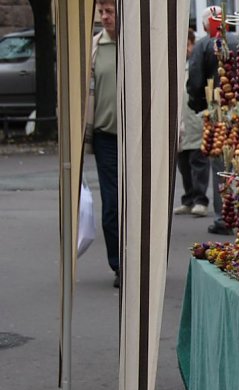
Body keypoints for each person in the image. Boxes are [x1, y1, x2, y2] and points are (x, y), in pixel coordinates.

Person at [187, 5, 239, 235]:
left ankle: (224, 218)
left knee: (220, 163)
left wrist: (197, 104)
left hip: (217, 110)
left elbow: (196, 79)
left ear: (209, 24)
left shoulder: (204, 45)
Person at [85, 0, 119, 288]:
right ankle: (119, 265)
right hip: (106, 136)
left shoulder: (136, 47)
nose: (105, 17)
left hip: (137, 138)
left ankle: (140, 263)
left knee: (136, 204)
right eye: (102, 13)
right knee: (111, 205)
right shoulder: (95, 47)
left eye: (110, 12)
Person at [175, 28, 210, 218]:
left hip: (195, 119)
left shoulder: (197, 63)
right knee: (183, 164)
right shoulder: (176, 65)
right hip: (181, 123)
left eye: (187, 44)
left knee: (198, 162)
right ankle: (188, 199)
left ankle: (200, 200)